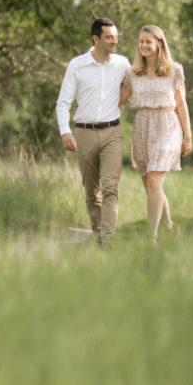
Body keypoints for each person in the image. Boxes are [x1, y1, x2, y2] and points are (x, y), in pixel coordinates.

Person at [56, 18, 131, 247]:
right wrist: (65, 132)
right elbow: (62, 103)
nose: (114, 41)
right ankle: (98, 234)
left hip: (112, 132)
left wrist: (118, 102)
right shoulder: (76, 65)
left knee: (110, 187)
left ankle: (108, 241)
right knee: (92, 191)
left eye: (116, 37)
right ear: (96, 39)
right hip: (84, 133)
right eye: (109, 37)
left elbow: (134, 84)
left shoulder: (122, 64)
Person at [120, 24, 192, 243]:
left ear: (160, 43)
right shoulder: (132, 74)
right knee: (152, 187)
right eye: (141, 41)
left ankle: (151, 238)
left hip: (167, 126)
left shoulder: (174, 71)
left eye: (148, 41)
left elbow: (181, 104)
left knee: (154, 182)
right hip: (142, 126)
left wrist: (188, 136)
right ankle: (169, 225)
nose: (143, 45)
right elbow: (118, 101)